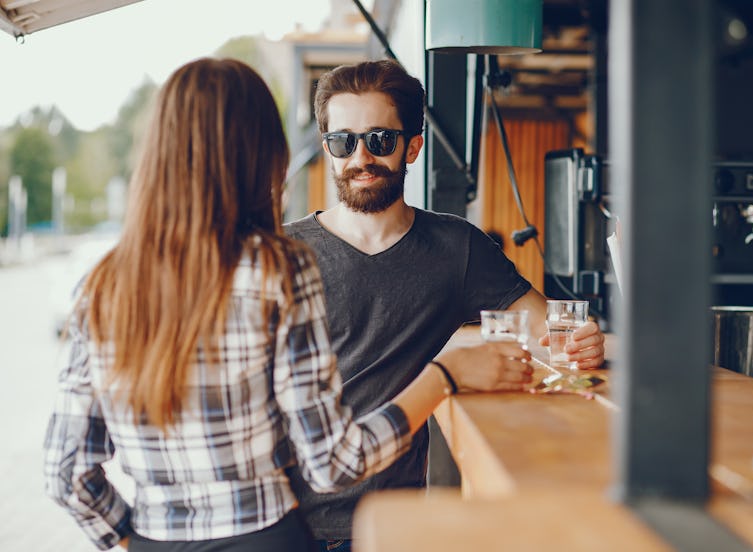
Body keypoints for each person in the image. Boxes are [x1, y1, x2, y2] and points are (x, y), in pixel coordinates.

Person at [42, 58, 534, 552]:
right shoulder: (278, 268)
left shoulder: (102, 286)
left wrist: (136, 542)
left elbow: (65, 473)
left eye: (379, 139)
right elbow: (335, 463)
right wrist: (444, 376)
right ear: (261, 154)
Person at [283, 59, 606, 550]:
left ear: (412, 146)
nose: (360, 157)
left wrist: (582, 343)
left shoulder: (457, 249)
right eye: (343, 141)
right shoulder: (279, 254)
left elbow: (551, 337)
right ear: (328, 149)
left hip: (390, 526)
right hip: (282, 524)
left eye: (380, 140)